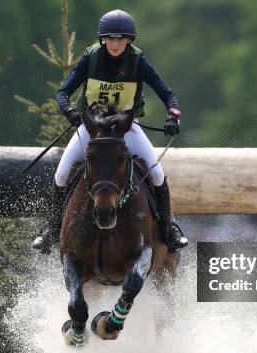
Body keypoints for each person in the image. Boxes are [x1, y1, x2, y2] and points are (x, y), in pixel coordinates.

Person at [33, 9, 188, 254]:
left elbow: (167, 93)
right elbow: (63, 92)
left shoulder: (138, 61)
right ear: (103, 39)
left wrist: (173, 115)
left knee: (157, 174)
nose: (115, 44)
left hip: (126, 128)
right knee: (62, 174)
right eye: (110, 39)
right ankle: (52, 230)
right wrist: (70, 111)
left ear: (129, 41)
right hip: (92, 127)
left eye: (121, 39)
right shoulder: (90, 58)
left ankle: (169, 230)